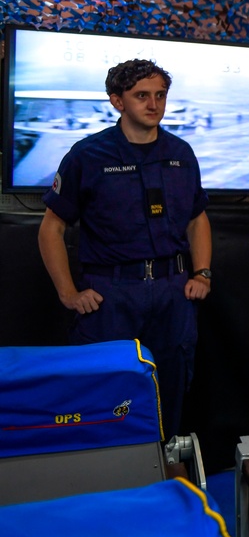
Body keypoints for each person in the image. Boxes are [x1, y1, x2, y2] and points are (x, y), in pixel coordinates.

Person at [38, 59, 213, 441]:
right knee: (104, 393)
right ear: (117, 101)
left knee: (170, 389)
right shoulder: (88, 155)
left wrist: (202, 272)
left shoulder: (182, 153)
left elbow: (197, 218)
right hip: (112, 295)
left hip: (172, 291)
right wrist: (68, 293)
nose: (154, 104)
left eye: (160, 95)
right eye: (141, 96)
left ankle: (165, 475)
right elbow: (51, 227)